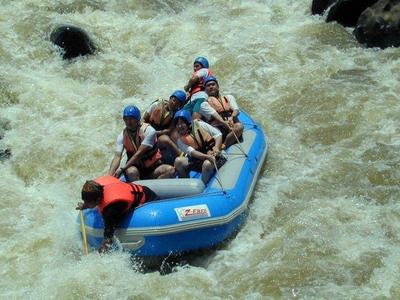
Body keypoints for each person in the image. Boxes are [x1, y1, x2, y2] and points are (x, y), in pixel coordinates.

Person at [76, 175, 158, 253]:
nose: (85, 203)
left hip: (149, 198)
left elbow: (108, 238)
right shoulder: (98, 190)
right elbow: (91, 201)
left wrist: (102, 250)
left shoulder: (110, 210)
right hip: (141, 190)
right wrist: (85, 206)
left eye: (87, 202)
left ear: (97, 200)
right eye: (84, 201)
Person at [108, 105, 175, 182]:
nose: (128, 122)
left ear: (137, 119)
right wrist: (109, 176)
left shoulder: (149, 131)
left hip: (153, 169)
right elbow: (117, 157)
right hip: (136, 169)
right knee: (131, 172)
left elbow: (139, 153)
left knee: (170, 170)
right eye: (126, 119)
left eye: (131, 119)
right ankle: (140, 189)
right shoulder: (122, 136)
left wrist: (122, 169)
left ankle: (152, 188)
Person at [173, 110, 226, 184]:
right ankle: (187, 184)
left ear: (188, 122)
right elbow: (192, 152)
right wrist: (207, 157)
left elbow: (218, 135)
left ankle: (203, 185)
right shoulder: (180, 140)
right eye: (177, 124)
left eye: (182, 123)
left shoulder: (200, 125)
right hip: (200, 159)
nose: (179, 126)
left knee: (206, 164)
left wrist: (216, 148)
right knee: (178, 162)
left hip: (215, 156)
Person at [142, 90, 186, 163]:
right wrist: (146, 131)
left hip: (158, 135)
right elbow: (143, 119)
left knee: (166, 139)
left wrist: (154, 133)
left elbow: (168, 130)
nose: (174, 104)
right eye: (174, 100)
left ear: (179, 106)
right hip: (146, 133)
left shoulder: (175, 114)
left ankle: (181, 156)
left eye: (177, 104)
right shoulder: (156, 105)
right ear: (170, 98)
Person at [203, 76, 244, 149]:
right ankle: (218, 146)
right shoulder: (204, 104)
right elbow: (214, 114)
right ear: (205, 90)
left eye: (213, 84)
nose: (211, 87)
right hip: (218, 127)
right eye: (208, 86)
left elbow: (236, 110)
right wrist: (224, 123)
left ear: (218, 87)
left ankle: (225, 145)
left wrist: (232, 117)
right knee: (215, 134)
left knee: (239, 127)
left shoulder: (228, 97)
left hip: (232, 124)